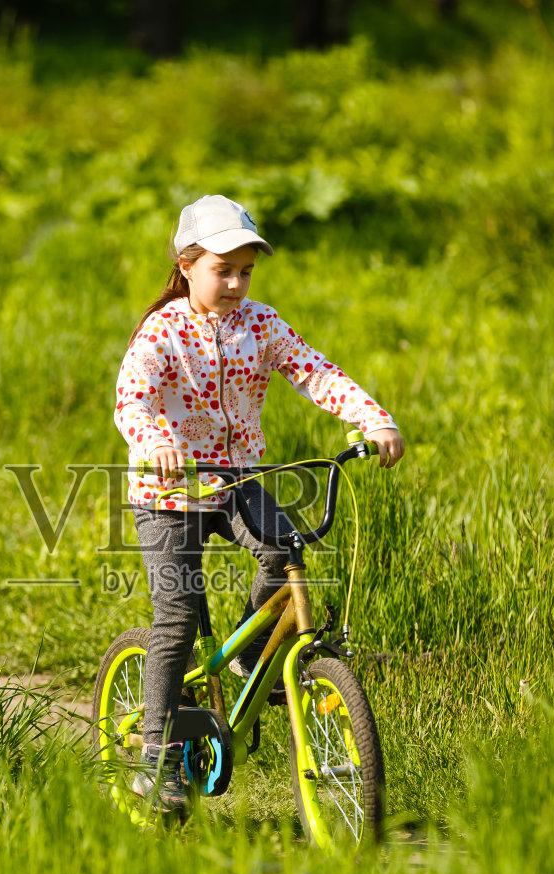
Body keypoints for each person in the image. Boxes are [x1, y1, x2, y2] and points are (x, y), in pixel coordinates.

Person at [113, 194, 406, 809]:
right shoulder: (162, 331)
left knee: (284, 548)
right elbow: (132, 400)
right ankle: (156, 758)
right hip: (169, 491)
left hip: (235, 481)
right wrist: (157, 443)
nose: (236, 284)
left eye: (246, 271)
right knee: (178, 617)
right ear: (186, 265)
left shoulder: (261, 325)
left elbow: (315, 371)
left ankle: (250, 655)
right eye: (223, 270)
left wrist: (373, 419)